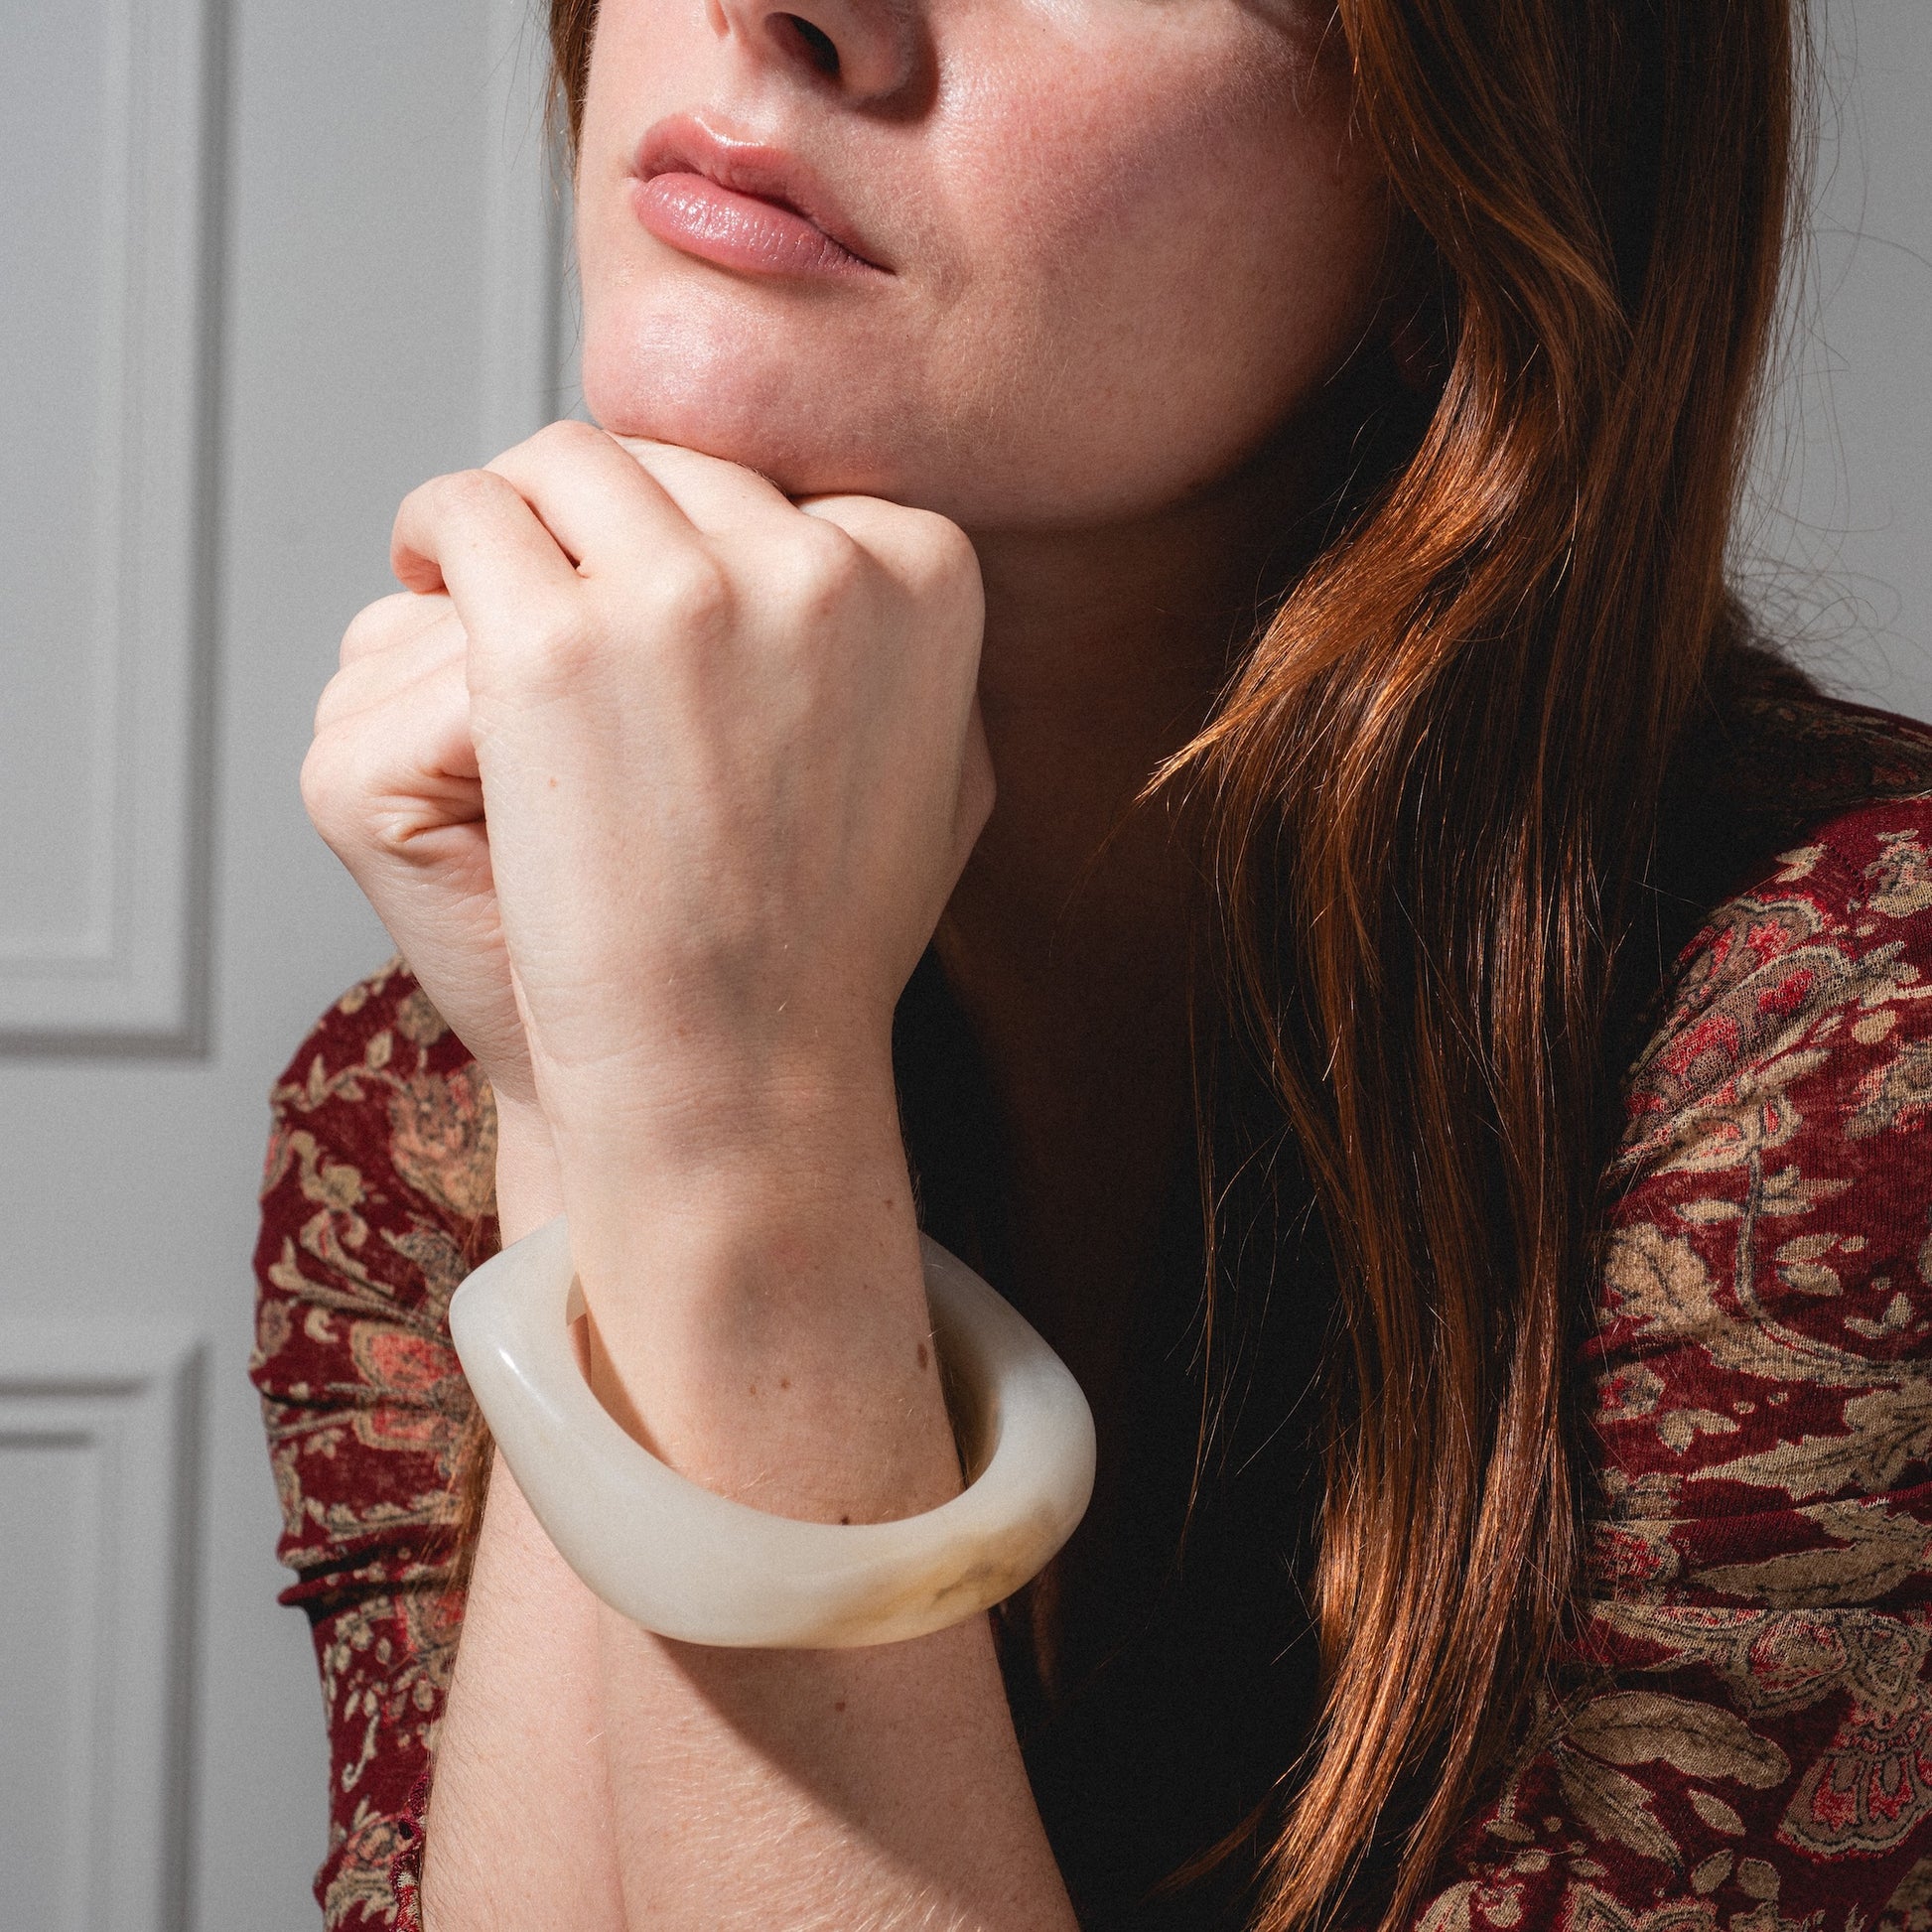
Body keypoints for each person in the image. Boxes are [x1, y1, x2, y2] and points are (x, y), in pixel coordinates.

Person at [252, 0, 1932, 1925]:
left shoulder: (1856, 1064)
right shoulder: (411, 1109)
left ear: (1475, 185)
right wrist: (579, 1090)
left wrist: (744, 1118)